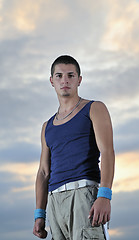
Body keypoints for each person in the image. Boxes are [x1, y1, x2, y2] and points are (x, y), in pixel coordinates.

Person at [33, 55, 115, 239]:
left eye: (70, 75)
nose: (65, 80)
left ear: (79, 80)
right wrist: (40, 213)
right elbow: (43, 173)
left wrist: (104, 195)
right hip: (54, 202)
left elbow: (107, 152)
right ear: (51, 81)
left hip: (83, 196)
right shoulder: (47, 126)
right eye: (59, 76)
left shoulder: (94, 108)